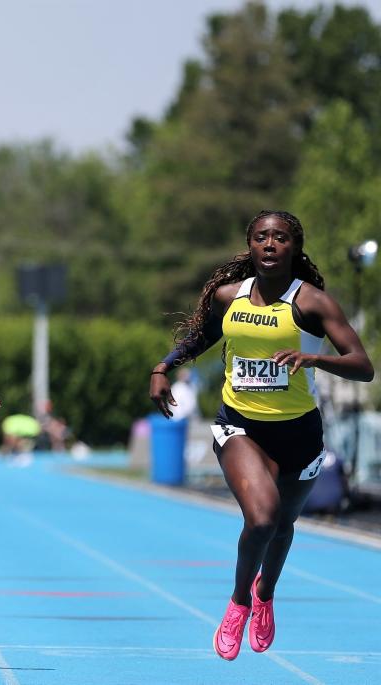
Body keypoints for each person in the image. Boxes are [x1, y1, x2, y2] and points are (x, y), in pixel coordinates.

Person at [149, 210, 373, 661]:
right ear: (250, 245)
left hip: (300, 435)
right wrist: (163, 367)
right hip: (240, 426)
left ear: (295, 247)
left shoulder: (312, 303)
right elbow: (201, 337)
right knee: (263, 518)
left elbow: (362, 367)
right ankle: (238, 602)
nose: (270, 244)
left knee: (284, 525)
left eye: (281, 238)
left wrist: (315, 360)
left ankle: (265, 592)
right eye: (261, 237)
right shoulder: (229, 296)